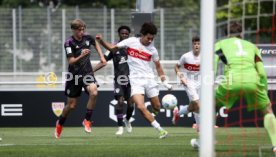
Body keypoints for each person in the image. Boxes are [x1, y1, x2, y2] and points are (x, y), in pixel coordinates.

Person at [194, 22, 276, 151]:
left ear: (226, 35)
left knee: (210, 107)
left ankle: (204, 142)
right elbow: (262, 73)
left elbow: (212, 67)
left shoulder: (220, 44)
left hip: (232, 81)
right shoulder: (252, 46)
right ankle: (275, 144)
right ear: (241, 34)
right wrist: (263, 89)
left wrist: (208, 86)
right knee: (268, 110)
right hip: (253, 81)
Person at [96, 22, 172, 139]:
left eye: (152, 38)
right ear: (142, 34)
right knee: (140, 106)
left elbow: (158, 66)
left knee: (157, 106)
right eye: (148, 38)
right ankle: (160, 130)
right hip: (136, 81)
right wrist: (101, 41)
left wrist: (164, 81)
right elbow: (112, 48)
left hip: (150, 80)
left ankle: (151, 116)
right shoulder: (131, 41)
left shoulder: (153, 49)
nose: (150, 41)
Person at [55, 19, 106, 139]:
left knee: (94, 92)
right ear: (73, 30)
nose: (82, 32)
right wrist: (82, 55)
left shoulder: (88, 37)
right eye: (79, 30)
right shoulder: (69, 42)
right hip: (74, 76)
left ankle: (87, 120)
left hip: (87, 74)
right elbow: (71, 61)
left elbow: (94, 43)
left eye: (83, 29)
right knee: (71, 106)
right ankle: (60, 123)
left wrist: (101, 56)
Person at [93, 25, 134, 135]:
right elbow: (103, 61)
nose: (124, 35)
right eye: (122, 33)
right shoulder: (113, 48)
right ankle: (120, 127)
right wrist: (92, 72)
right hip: (119, 80)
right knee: (120, 101)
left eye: (126, 34)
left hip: (132, 80)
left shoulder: (133, 47)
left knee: (131, 105)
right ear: (119, 34)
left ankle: (127, 120)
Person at [172, 36, 201, 130]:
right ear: (192, 45)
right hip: (189, 83)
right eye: (195, 44)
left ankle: (178, 113)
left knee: (195, 106)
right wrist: (181, 78)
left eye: (198, 43)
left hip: (202, 82)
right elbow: (176, 67)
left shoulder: (206, 56)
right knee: (197, 104)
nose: (196, 45)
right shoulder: (186, 56)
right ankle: (199, 127)